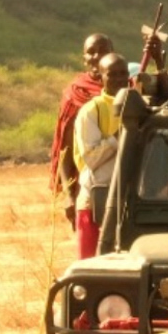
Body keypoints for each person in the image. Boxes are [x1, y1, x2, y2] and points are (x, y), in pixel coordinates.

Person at [49, 33, 113, 227]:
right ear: (84, 59)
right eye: (91, 52)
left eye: (103, 51)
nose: (96, 56)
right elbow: (65, 150)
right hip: (87, 187)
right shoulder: (75, 94)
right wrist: (69, 196)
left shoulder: (126, 88)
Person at [73, 53, 132, 259]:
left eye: (123, 73)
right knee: (91, 268)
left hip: (129, 204)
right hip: (94, 204)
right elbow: (91, 158)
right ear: (101, 77)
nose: (119, 79)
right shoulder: (91, 110)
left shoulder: (137, 104)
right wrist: (120, 137)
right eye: (112, 74)